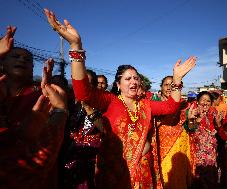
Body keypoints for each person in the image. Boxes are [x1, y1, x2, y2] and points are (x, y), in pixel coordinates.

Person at [44, 8, 196, 189]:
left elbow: (171, 107)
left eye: (136, 78)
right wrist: (76, 46)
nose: (133, 81)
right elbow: (83, 93)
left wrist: (177, 80)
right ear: (118, 85)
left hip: (143, 172)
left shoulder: (146, 104)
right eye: (128, 78)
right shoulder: (110, 101)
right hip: (114, 173)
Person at [0, 26, 68, 189]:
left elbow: (50, 136)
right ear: (2, 63)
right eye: (15, 56)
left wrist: (59, 108)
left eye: (28, 60)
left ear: (32, 69)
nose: (22, 60)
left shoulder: (42, 95)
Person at [153, 75, 194, 189]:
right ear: (161, 87)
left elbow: (190, 128)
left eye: (172, 85)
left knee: (177, 178)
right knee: (162, 177)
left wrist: (190, 120)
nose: (169, 88)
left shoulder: (184, 105)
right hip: (159, 147)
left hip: (179, 148)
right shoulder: (154, 104)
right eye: (166, 85)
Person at [185, 91, 220, 188]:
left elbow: (217, 130)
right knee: (198, 179)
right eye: (203, 100)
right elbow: (190, 129)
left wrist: (218, 125)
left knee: (210, 178)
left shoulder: (213, 113)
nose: (205, 103)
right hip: (197, 152)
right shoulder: (192, 112)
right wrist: (197, 119)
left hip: (211, 153)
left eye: (208, 101)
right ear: (198, 101)